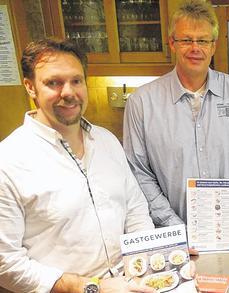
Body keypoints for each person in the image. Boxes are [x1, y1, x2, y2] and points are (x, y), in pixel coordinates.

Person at [0, 39, 156, 292]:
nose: (68, 92)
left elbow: (135, 210)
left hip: (128, 283)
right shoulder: (8, 160)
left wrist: (147, 263)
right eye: (54, 83)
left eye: (76, 80)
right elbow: (5, 264)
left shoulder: (107, 141)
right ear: (30, 87)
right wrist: (90, 287)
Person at [123, 0, 229, 252]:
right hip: (169, 238)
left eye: (203, 40)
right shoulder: (141, 102)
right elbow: (138, 172)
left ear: (214, 46)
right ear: (172, 43)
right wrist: (174, 228)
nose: (195, 48)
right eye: (186, 40)